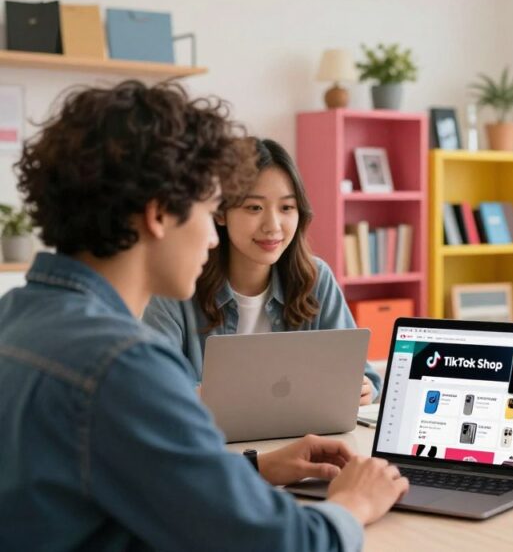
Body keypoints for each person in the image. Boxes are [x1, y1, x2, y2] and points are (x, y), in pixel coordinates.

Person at [0, 80, 407, 551]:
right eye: (211, 209)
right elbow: (283, 544)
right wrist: (355, 503)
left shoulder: (15, 317)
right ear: (159, 215)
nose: (213, 238)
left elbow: (133, 471)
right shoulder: (123, 365)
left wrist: (258, 466)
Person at [144, 138, 381, 404]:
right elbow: (155, 392)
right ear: (220, 213)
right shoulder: (177, 286)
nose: (273, 226)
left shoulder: (315, 278)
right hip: (212, 444)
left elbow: (365, 378)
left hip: (302, 439)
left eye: (287, 208)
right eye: (254, 207)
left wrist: (364, 389)